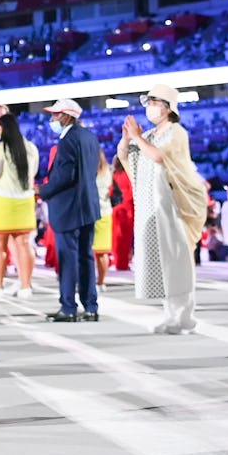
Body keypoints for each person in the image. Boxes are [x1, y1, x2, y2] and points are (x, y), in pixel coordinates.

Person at [117, 84, 207, 334]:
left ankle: (184, 316)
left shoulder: (176, 132)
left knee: (177, 260)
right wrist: (128, 138)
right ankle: (170, 315)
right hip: (153, 203)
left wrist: (136, 137)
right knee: (162, 262)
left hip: (173, 203)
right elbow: (127, 156)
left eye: (154, 102)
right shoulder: (150, 134)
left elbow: (160, 157)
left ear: (167, 108)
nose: (150, 107)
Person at [39, 100, 100, 323]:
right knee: (86, 257)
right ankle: (91, 307)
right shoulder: (89, 137)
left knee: (68, 259)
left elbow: (65, 176)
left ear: (67, 116)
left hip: (69, 208)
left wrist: (43, 191)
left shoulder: (67, 140)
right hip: (88, 206)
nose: (52, 119)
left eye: (55, 115)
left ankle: (68, 307)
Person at [0, 113, 38, 299]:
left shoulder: (1, 148)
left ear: (2, 128)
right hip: (24, 201)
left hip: (2, 201)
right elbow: (34, 172)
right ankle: (26, 287)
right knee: (24, 244)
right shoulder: (31, 148)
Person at [92, 149, 114, 296]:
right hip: (106, 213)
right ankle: (101, 282)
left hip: (90, 213)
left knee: (87, 252)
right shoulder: (108, 171)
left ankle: (88, 281)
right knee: (102, 252)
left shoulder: (88, 171)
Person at [111, 157, 134, 273]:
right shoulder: (129, 175)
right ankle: (123, 263)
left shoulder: (113, 174)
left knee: (117, 238)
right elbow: (132, 192)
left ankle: (118, 261)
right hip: (128, 209)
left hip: (116, 209)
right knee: (125, 239)